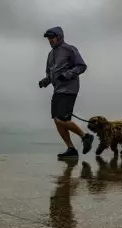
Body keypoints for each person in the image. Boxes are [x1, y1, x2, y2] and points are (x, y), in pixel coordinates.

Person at [38, 26, 94, 158]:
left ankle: (85, 136)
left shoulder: (69, 49)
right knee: (57, 120)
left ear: (59, 37)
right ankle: (71, 149)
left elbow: (81, 66)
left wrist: (67, 74)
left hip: (69, 89)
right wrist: (45, 81)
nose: (50, 40)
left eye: (52, 37)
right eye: (49, 39)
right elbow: (51, 73)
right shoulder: (50, 54)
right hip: (57, 90)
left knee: (61, 118)